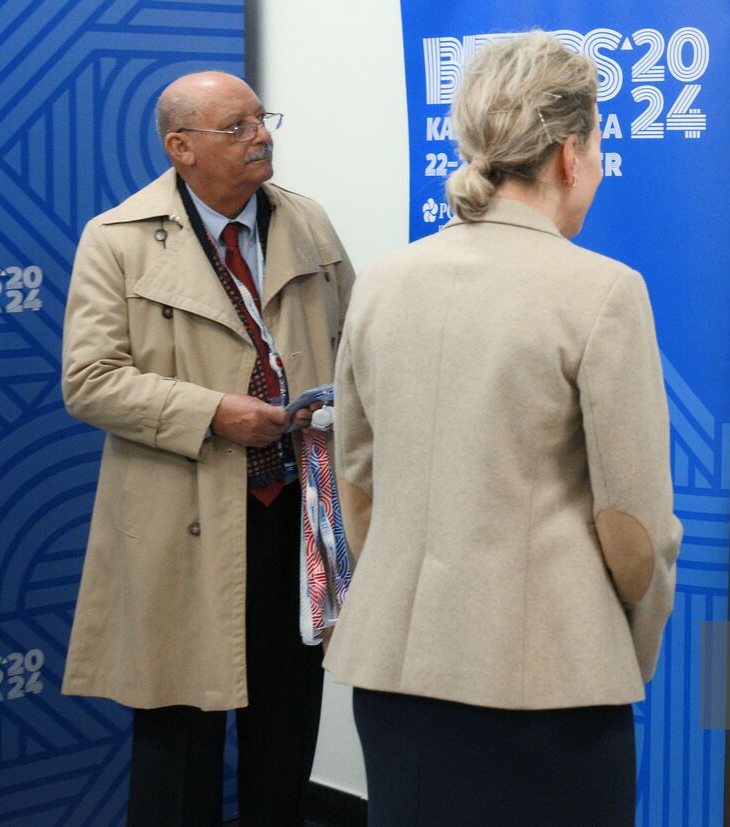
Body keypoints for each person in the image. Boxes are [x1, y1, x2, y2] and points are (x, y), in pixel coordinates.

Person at [323, 31, 682, 827]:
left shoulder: (382, 282)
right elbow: (634, 529)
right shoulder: (603, 291)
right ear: (569, 154)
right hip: (549, 683)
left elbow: (358, 485)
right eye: (598, 147)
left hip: (396, 676)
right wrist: (625, 641)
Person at [60, 71, 354, 825]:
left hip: (297, 512)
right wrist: (213, 412)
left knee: (288, 724)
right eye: (237, 127)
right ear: (180, 147)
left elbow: (355, 346)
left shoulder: (309, 223)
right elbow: (89, 381)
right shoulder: (117, 239)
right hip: (185, 517)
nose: (262, 136)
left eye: (261, 118)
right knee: (180, 738)